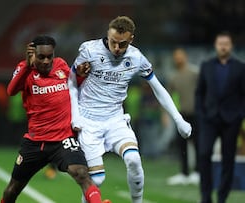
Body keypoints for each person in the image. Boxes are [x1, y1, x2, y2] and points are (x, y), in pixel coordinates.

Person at [68, 16, 192, 203]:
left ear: (131, 39)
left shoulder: (136, 57)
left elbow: (158, 88)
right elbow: (71, 82)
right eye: (113, 42)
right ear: (107, 36)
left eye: (122, 44)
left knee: (134, 160)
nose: (116, 48)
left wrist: (178, 119)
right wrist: (75, 117)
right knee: (97, 180)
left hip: (115, 120)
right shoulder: (89, 50)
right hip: (88, 121)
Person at [1, 35, 105, 203]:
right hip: (35, 142)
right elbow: (11, 90)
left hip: (62, 139)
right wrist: (28, 66)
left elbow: (73, 85)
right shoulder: (25, 69)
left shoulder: (61, 65)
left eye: (50, 56)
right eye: (41, 57)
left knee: (81, 174)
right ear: (33, 54)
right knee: (13, 190)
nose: (46, 61)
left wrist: (80, 76)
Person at [195, 31, 245, 203]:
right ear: (216, 46)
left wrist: (240, 115)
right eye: (220, 43)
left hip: (231, 120)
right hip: (209, 118)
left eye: (226, 43)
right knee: (203, 154)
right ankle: (206, 196)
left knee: (228, 159)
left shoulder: (240, 67)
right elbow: (199, 93)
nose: (223, 46)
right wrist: (201, 114)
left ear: (231, 46)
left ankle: (222, 197)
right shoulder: (206, 66)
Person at [167, 48, 199, 185]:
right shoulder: (174, 76)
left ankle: (198, 172)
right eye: (176, 57)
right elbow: (167, 95)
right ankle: (184, 173)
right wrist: (165, 114)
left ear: (185, 57)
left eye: (180, 56)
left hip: (197, 114)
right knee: (182, 145)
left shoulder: (195, 73)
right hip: (182, 115)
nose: (178, 59)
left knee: (198, 144)